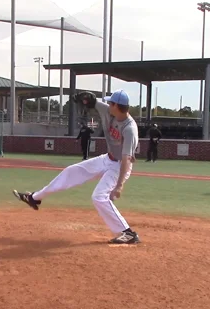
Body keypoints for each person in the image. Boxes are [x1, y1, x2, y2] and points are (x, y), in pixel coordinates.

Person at [13, 90, 141, 244]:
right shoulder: (108, 110)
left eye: (110, 102)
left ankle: (127, 233)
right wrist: (86, 101)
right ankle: (34, 198)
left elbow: (127, 158)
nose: (107, 104)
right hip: (107, 158)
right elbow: (93, 102)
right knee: (71, 171)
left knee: (98, 197)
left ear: (116, 106)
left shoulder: (129, 128)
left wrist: (119, 186)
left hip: (120, 166)